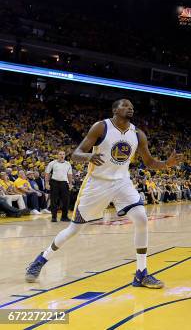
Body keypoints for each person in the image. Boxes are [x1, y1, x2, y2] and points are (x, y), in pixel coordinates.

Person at [25, 99, 182, 288]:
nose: (130, 108)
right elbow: (76, 153)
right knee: (74, 230)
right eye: (125, 105)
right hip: (97, 184)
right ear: (115, 109)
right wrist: (88, 156)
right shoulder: (101, 127)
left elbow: (149, 162)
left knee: (141, 218)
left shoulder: (138, 134)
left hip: (122, 182)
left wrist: (166, 163)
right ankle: (41, 259)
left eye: (132, 106)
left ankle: (141, 273)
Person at [45, 150, 74, 222]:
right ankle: (54, 217)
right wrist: (46, 183)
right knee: (54, 200)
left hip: (64, 183)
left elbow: (69, 174)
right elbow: (47, 173)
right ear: (57, 155)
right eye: (60, 154)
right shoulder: (52, 163)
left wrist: (70, 183)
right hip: (54, 182)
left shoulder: (68, 164)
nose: (62, 155)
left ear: (65, 155)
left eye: (63, 154)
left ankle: (64, 217)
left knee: (66, 201)